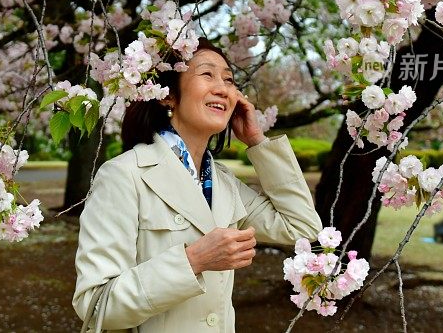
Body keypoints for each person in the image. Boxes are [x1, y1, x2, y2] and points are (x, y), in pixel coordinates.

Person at [73, 39, 322, 332]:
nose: (223, 88)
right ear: (167, 96)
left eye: (229, 80)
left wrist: (257, 141)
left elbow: (303, 227)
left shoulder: (223, 182)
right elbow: (96, 307)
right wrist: (193, 261)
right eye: (207, 74)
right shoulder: (124, 175)